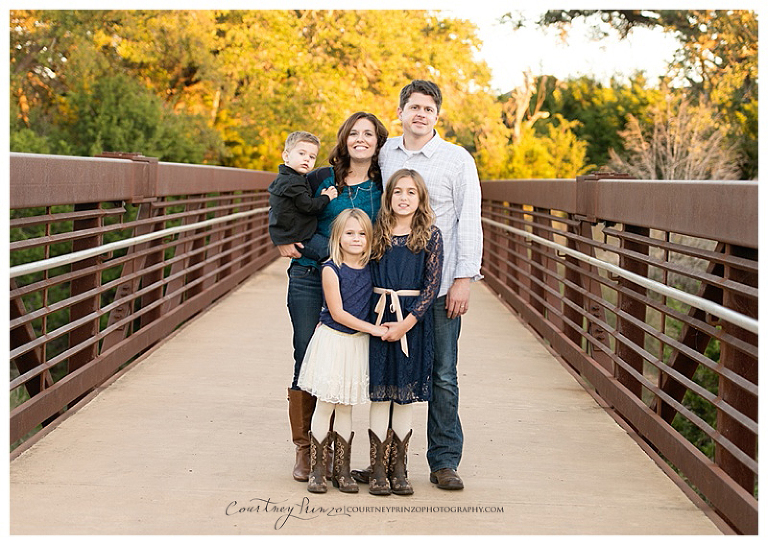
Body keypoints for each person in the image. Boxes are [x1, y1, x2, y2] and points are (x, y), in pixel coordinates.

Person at [378, 80, 483, 490]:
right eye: (414, 107)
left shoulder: (457, 159)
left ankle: (444, 461)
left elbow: (469, 219)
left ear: (437, 116)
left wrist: (464, 279)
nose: (420, 114)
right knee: (389, 369)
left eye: (428, 109)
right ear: (400, 112)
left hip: (440, 288)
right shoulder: (385, 153)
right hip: (393, 284)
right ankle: (387, 461)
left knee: (442, 374)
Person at [278, 112, 388, 483]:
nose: (360, 139)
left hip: (358, 283)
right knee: (307, 356)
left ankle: (337, 453)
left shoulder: (383, 185)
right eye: (353, 133)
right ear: (344, 139)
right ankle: (306, 449)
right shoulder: (320, 178)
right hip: (310, 276)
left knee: (345, 361)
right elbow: (284, 204)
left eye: (368, 133)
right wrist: (281, 237)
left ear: (378, 141)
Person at [296, 209, 388, 493]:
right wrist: (374, 329)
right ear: (337, 237)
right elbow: (338, 313)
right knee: (326, 404)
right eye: (349, 233)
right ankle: (318, 470)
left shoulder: (372, 269)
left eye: (362, 234)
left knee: (346, 406)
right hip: (334, 342)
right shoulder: (331, 269)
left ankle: (342, 470)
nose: (356, 238)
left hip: (356, 345)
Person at [365, 169, 443, 496]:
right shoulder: (376, 232)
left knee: (403, 395)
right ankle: (377, 468)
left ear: (421, 198)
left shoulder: (430, 236)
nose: (404, 198)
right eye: (398, 191)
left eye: (411, 192)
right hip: (378, 318)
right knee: (381, 393)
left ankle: (399, 468)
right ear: (388, 197)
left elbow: (431, 286)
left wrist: (406, 323)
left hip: (411, 322)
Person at [268, 131, 338, 262]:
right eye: (301, 153)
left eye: (312, 157)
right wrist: (326, 197)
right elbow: (308, 206)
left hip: (296, 234)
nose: (307, 159)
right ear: (286, 156)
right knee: (333, 252)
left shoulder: (287, 178)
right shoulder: (293, 182)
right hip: (300, 237)